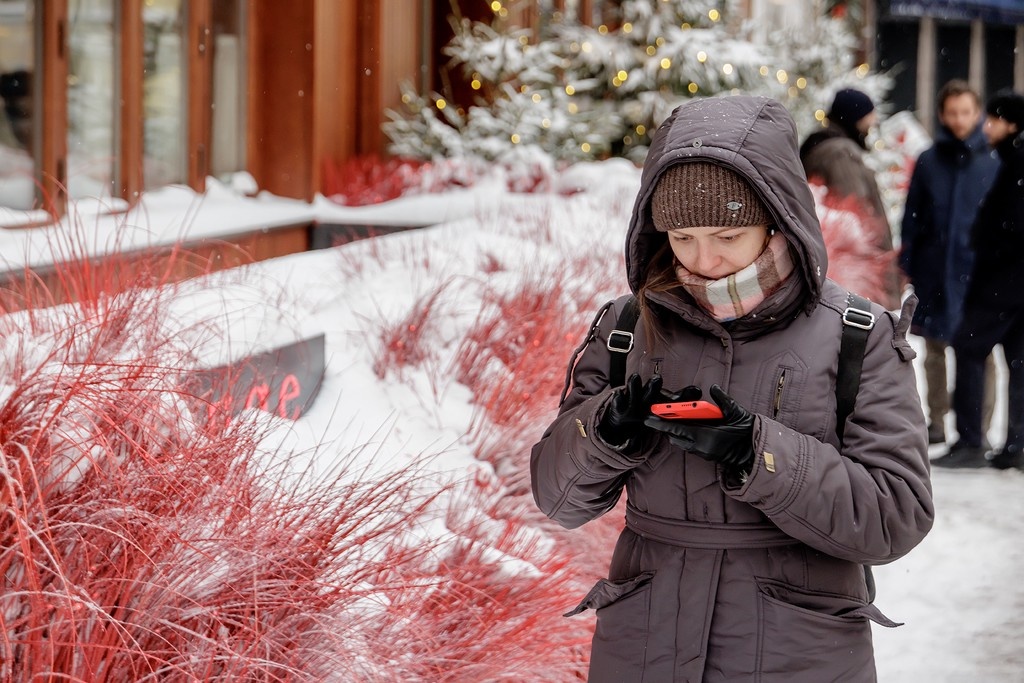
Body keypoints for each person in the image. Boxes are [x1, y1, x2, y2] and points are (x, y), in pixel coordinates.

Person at [530, 95, 934, 682]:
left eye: (727, 234)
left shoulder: (856, 335)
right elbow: (558, 500)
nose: (704, 259)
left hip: (798, 653)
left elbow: (896, 514)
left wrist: (758, 453)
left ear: (777, 218)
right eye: (683, 236)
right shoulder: (625, 328)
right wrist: (604, 431)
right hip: (644, 649)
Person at [900, 80, 999, 450]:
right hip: (934, 269)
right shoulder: (929, 160)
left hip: (978, 274)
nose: (959, 120)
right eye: (953, 112)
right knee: (936, 349)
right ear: (943, 114)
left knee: (978, 352)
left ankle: (977, 427)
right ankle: (936, 421)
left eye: (966, 112)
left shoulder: (993, 159)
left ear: (978, 113)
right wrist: (910, 259)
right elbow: (913, 216)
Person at [946, 90, 1024, 469]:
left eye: (993, 119)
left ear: (1011, 124)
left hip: (1004, 283)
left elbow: (1010, 227)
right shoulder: (1013, 159)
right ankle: (1017, 445)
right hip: (1012, 283)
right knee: (1020, 361)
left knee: (968, 345)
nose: (986, 126)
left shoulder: (1018, 162)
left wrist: (986, 241)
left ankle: (971, 442)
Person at [800, 88, 901, 310]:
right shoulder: (840, 153)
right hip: (856, 273)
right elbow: (857, 210)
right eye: (867, 118)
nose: (870, 125)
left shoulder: (825, 147)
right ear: (853, 118)